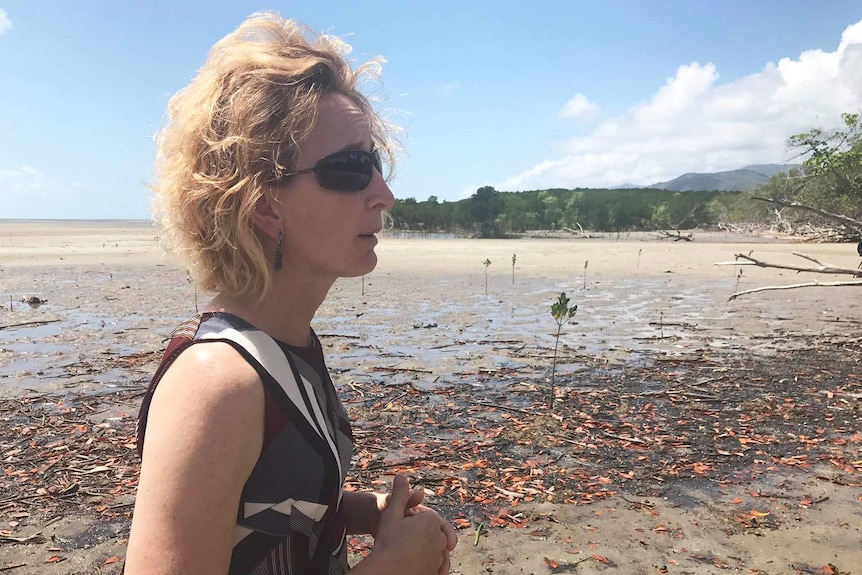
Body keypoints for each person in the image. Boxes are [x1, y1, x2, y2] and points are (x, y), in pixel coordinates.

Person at [124, 12, 457, 575]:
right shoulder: (216, 385)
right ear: (264, 204)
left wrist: (358, 512)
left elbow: (259, 506)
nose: (385, 194)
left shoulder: (287, 347)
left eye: (375, 164)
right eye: (351, 169)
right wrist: (394, 567)